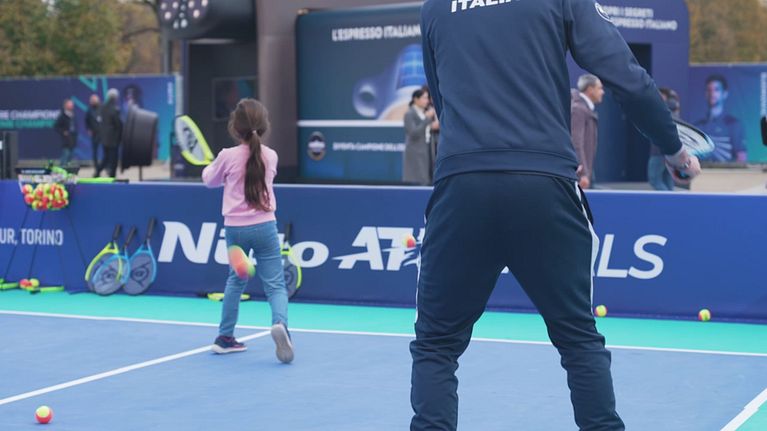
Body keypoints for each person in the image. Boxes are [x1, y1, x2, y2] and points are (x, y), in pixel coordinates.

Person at [413, 1, 700, 430]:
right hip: (544, 184)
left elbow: (441, 97)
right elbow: (626, 75)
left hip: (462, 185)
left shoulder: (435, 6)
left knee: (436, 345)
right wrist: (674, 150)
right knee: (578, 338)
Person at [202, 98, 293, 364]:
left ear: (235, 127)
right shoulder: (271, 156)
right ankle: (280, 324)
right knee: (275, 285)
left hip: (235, 230)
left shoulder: (226, 156)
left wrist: (210, 167)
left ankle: (225, 337)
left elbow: (209, 181)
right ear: (264, 126)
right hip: (265, 226)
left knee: (235, 281)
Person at [695, 75, 747, 163]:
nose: (712, 93)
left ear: (725, 94)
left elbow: (741, 157)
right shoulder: (698, 126)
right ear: (705, 93)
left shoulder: (734, 124)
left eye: (716, 89)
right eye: (709, 90)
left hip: (727, 171)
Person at [571, 74, 604, 189]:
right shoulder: (578, 109)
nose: (602, 92)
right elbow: (576, 142)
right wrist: (583, 173)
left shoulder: (584, 109)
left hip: (587, 170)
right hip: (582, 173)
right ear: (590, 89)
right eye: (599, 88)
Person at [403, 89, 438, 185]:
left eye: (427, 98)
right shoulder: (409, 114)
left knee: (427, 179)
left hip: (427, 150)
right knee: (418, 180)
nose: (427, 101)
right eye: (424, 98)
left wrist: (432, 125)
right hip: (416, 151)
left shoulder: (424, 112)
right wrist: (427, 119)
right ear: (416, 99)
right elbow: (413, 133)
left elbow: (425, 128)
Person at [648, 88, 681, 191]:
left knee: (654, 179)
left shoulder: (662, 111)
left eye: (660, 94)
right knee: (667, 179)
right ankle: (671, 199)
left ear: (666, 96)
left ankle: (667, 199)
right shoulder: (674, 112)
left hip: (659, 151)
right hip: (670, 151)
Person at [97, 89, 122, 178]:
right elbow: (118, 124)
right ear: (115, 98)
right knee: (113, 159)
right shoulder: (114, 108)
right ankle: (112, 176)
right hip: (113, 139)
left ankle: (97, 172)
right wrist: (119, 136)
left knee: (106, 157)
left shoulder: (102, 107)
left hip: (105, 138)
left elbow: (100, 121)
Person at [53, 99, 77, 166]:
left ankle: (67, 170)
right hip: (66, 140)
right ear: (65, 106)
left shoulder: (72, 115)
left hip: (72, 139)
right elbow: (56, 126)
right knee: (65, 155)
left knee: (70, 157)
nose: (72, 106)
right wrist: (63, 132)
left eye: (72, 105)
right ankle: (61, 169)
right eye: (70, 105)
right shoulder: (62, 115)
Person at [85, 94, 102, 174]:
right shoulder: (89, 110)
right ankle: (97, 168)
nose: (93, 102)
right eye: (92, 100)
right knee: (95, 152)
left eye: (95, 100)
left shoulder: (102, 108)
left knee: (107, 151)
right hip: (94, 134)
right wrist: (89, 129)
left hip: (103, 134)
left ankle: (107, 167)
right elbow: (86, 121)